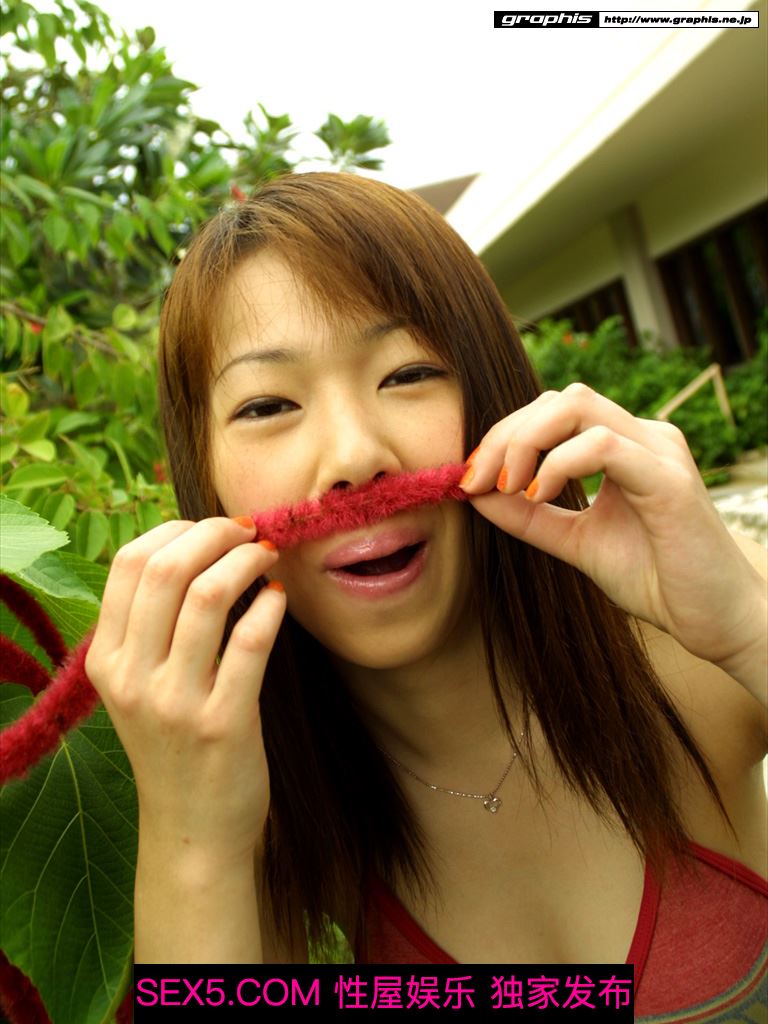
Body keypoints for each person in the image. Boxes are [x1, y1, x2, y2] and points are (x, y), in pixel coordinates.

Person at [85, 173, 767, 1013]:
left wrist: (748, 628)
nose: (355, 456)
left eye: (407, 374)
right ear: (206, 481)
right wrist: (196, 840)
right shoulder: (249, 808)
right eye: (267, 405)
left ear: (497, 398)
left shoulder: (698, 649)